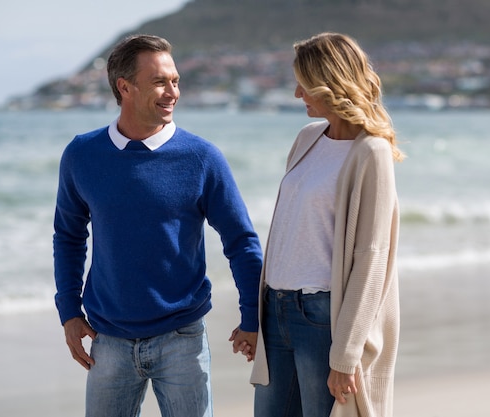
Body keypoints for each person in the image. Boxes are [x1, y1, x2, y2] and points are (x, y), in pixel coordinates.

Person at [53, 34, 262, 417]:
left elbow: (241, 241)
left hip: (182, 338)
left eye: (176, 80)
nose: (172, 92)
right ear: (124, 87)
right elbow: (68, 237)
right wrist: (68, 312)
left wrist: (253, 316)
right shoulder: (82, 154)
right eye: (160, 82)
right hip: (108, 338)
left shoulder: (201, 158)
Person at [249, 32, 404, 417]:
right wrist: (254, 316)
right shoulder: (307, 139)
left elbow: (373, 258)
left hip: (322, 318)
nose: (298, 94)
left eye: (303, 83)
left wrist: (347, 353)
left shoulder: (371, 151)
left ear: (328, 82)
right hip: (276, 309)